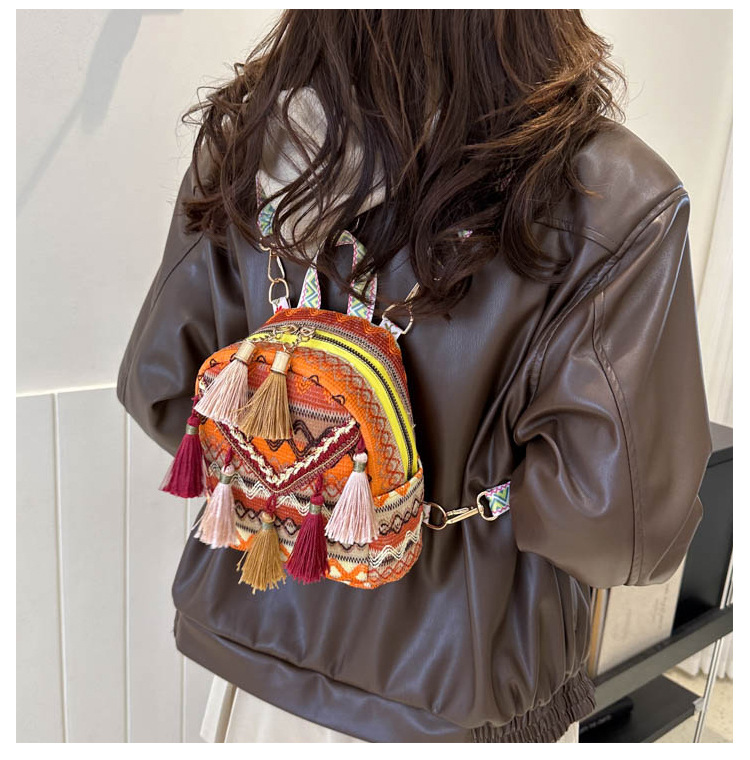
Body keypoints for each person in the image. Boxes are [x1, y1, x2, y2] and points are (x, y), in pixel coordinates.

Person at [117, 9, 713, 743]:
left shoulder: (254, 135)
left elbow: (161, 389)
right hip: (454, 693)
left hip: (259, 657)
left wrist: (297, 470)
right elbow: (619, 529)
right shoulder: (613, 198)